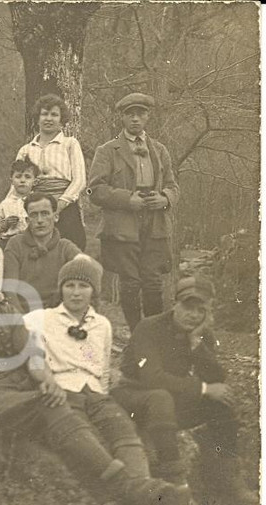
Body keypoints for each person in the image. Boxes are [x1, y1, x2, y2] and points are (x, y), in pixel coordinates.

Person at [0, 247, 188, 505]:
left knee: (58, 406)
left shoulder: (6, 310)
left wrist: (46, 377)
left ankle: (117, 499)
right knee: (51, 407)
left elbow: (31, 355)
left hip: (19, 387)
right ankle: (128, 485)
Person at [24, 255, 194, 505]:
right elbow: (34, 360)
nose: (76, 292)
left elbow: (102, 368)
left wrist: (101, 395)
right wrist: (50, 382)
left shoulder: (102, 325)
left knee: (125, 433)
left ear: (94, 291)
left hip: (96, 394)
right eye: (70, 285)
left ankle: (138, 493)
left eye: (83, 286)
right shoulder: (40, 319)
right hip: (62, 390)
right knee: (81, 439)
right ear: (61, 289)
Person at [111, 276, 256, 505]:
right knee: (162, 396)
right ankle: (175, 482)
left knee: (222, 403)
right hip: (134, 398)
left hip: (169, 403)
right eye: (188, 307)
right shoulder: (149, 327)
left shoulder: (199, 334)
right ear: (175, 303)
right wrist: (203, 389)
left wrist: (196, 345)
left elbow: (218, 380)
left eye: (201, 310)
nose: (193, 315)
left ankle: (229, 478)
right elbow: (152, 378)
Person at [88, 92, 179, 332]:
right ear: (122, 117)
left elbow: (173, 186)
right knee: (130, 283)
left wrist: (165, 198)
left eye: (140, 114)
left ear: (148, 116)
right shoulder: (107, 150)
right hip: (122, 224)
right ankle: (136, 334)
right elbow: (94, 190)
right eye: (130, 114)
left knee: (153, 283)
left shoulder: (160, 150)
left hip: (155, 223)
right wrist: (128, 199)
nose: (135, 119)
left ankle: (152, 336)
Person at [13, 94, 88, 250]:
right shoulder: (26, 150)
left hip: (65, 207)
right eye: (44, 114)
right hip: (35, 208)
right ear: (38, 118)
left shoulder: (70, 144)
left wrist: (58, 207)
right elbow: (16, 184)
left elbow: (79, 181)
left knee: (70, 249)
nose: (49, 118)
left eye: (54, 114)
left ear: (61, 120)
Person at [3, 192, 81, 312]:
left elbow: (89, 269)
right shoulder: (15, 244)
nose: (40, 220)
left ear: (56, 217)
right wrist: (21, 320)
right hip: (24, 313)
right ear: (28, 220)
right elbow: (10, 289)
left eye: (45, 214)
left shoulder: (65, 247)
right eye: (34, 215)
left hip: (58, 314)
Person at [0, 158, 38, 248]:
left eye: (27, 177)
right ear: (11, 180)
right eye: (18, 176)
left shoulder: (37, 202)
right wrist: (5, 224)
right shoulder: (6, 203)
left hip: (32, 243)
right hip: (8, 243)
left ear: (35, 181)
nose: (22, 180)